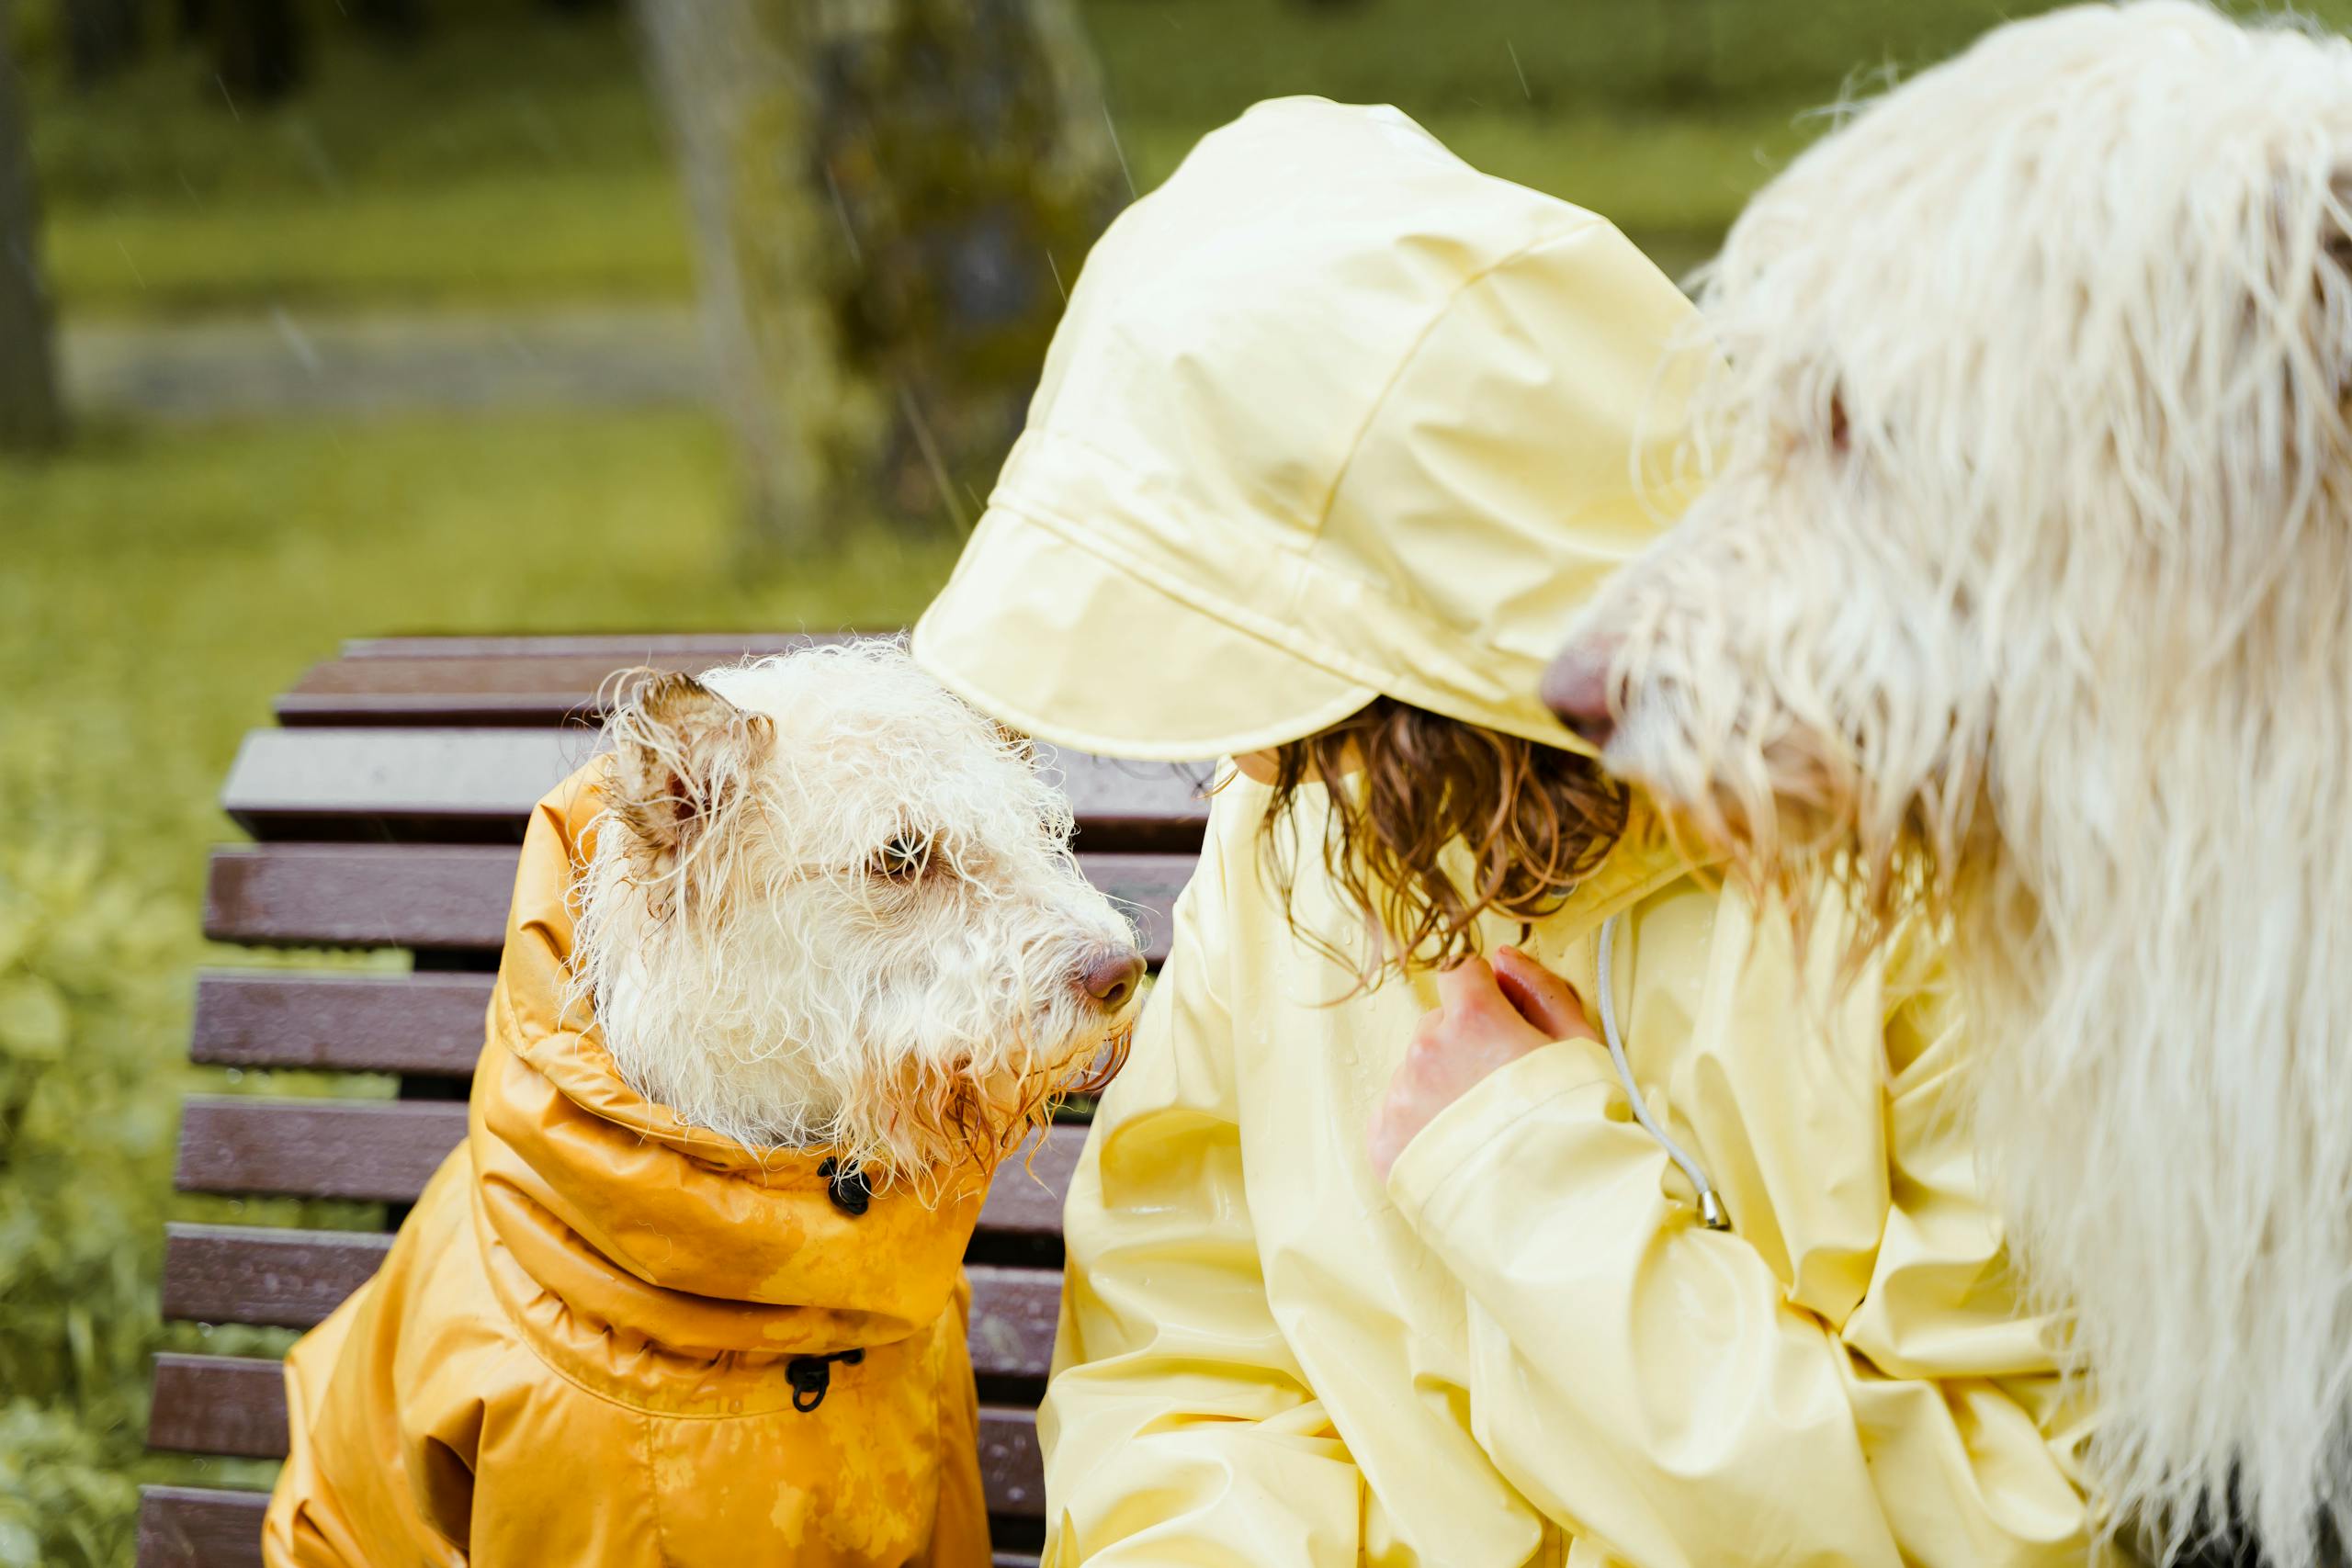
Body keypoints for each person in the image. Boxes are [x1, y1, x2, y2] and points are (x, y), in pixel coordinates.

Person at [913, 98, 2102, 1567]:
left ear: (1431, 657)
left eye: (1280, 679)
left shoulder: (1948, 895)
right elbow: (1184, 1365)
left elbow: (2021, 1522)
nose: (1245, 755)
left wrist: (1532, 1178)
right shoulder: (1299, 830)